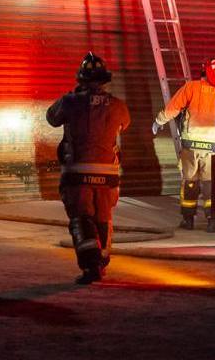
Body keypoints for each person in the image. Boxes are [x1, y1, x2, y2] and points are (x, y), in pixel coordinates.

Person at [47, 53, 131, 284]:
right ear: (105, 80)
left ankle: (91, 265)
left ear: (81, 79)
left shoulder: (70, 102)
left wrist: (75, 96)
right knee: (103, 219)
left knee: (82, 219)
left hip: (77, 173)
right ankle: (102, 262)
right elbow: (124, 124)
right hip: (108, 175)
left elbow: (51, 118)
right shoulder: (118, 105)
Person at [152, 57, 215, 231]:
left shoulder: (191, 88)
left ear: (203, 71)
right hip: (213, 148)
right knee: (210, 184)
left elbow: (173, 109)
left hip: (190, 146)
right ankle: (212, 221)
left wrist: (159, 122)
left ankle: (188, 220)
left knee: (189, 182)